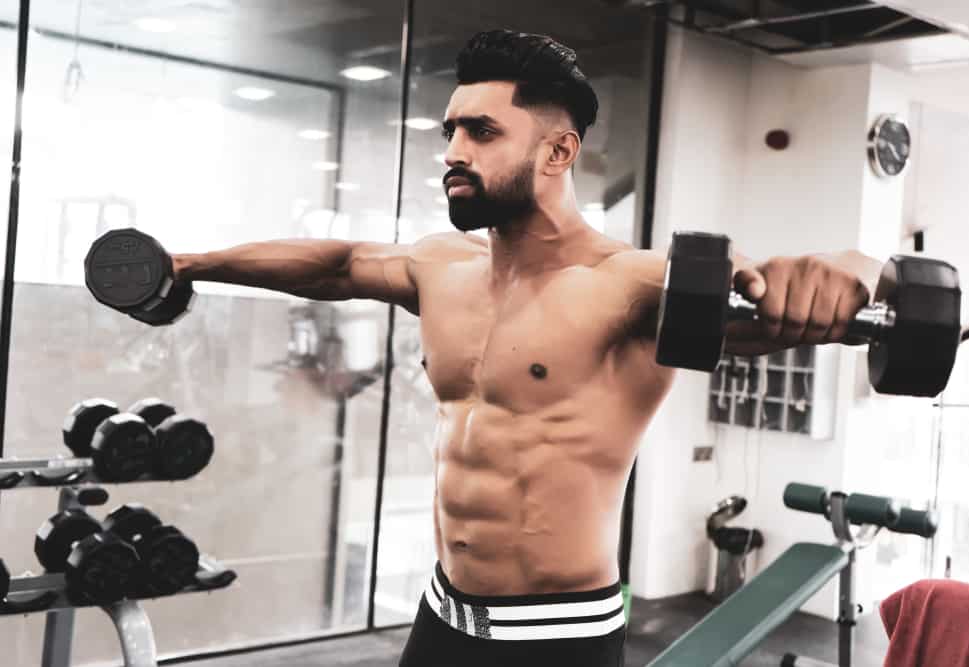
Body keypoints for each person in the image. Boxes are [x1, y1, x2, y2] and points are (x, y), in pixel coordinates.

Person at [169, 29, 880, 667]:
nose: (453, 151)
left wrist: (862, 269)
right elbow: (335, 263)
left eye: (481, 132)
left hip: (556, 637)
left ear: (559, 151)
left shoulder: (630, 285)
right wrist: (189, 264)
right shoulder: (441, 269)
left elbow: (793, 304)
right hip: (442, 616)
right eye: (451, 130)